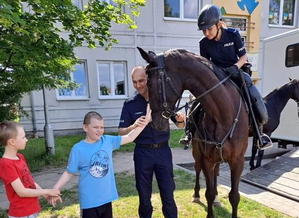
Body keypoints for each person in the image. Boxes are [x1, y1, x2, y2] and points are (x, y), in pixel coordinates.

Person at [180, 4, 272, 150]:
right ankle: (189, 133)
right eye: (203, 30)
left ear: (218, 24)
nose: (206, 33)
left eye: (209, 29)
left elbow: (243, 56)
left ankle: (260, 135)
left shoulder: (233, 34)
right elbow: (206, 64)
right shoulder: (203, 43)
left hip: (235, 71)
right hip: (216, 76)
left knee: (251, 92)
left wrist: (234, 68)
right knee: (198, 99)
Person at [51, 108, 151, 218]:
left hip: (106, 198)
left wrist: (144, 123)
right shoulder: (78, 149)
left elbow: (130, 137)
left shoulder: (107, 141)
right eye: (95, 127)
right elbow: (69, 172)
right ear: (85, 127)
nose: (99, 130)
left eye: (102, 127)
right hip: (89, 201)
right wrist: (56, 188)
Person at [118, 65, 186, 218]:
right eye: (134, 82)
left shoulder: (163, 99)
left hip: (163, 152)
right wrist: (133, 126)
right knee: (144, 196)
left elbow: (179, 125)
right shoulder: (130, 104)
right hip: (143, 152)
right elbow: (120, 131)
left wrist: (181, 119)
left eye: (141, 81)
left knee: (168, 195)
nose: (138, 85)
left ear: (148, 79)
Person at [0, 121, 61, 218]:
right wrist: (47, 191)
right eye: (23, 137)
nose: (26, 140)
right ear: (12, 142)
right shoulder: (6, 164)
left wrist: (47, 196)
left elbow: (30, 183)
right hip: (21, 213)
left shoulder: (20, 157)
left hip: (31, 211)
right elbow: (22, 191)